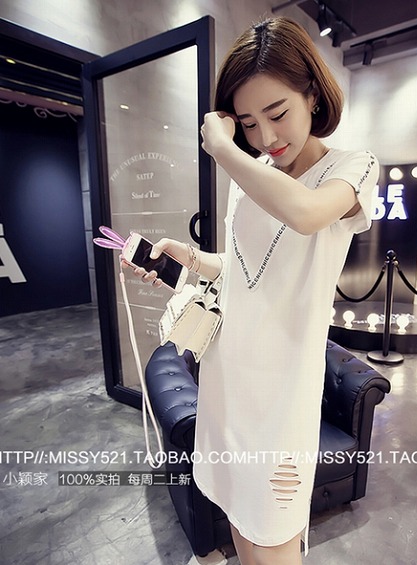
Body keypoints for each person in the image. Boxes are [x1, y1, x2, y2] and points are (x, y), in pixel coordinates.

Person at [135, 16, 379, 565]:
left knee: (273, 534)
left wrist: (225, 150)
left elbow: (307, 215)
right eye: (247, 122)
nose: (266, 137)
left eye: (277, 113)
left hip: (282, 394)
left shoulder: (353, 168)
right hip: (227, 383)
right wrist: (190, 259)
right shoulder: (250, 178)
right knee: (239, 523)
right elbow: (247, 272)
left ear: (312, 94)